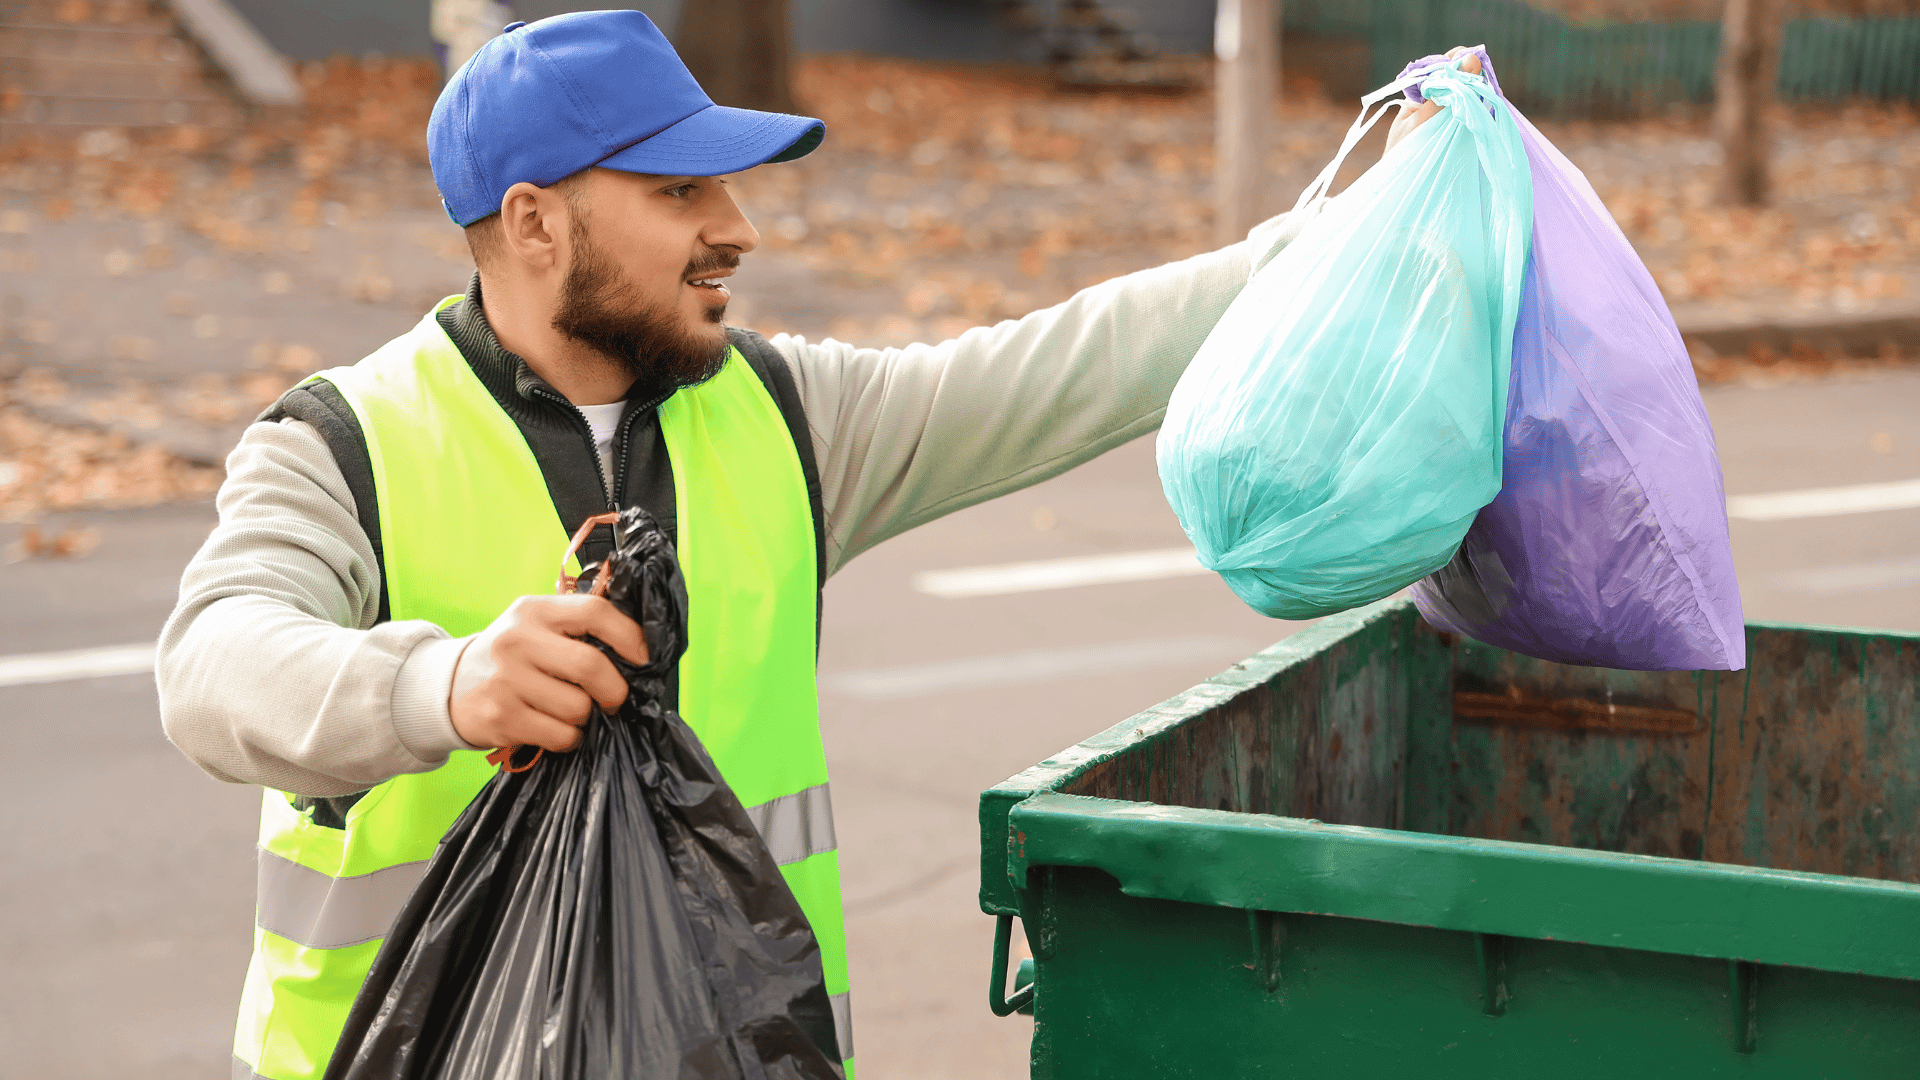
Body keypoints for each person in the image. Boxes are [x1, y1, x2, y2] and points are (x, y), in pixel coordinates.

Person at [157, 12, 1479, 1080]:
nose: (736, 225)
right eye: (681, 188)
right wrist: (436, 688)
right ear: (535, 223)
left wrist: (1363, 222)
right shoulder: (342, 442)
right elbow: (212, 670)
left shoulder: (787, 418)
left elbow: (1069, 366)